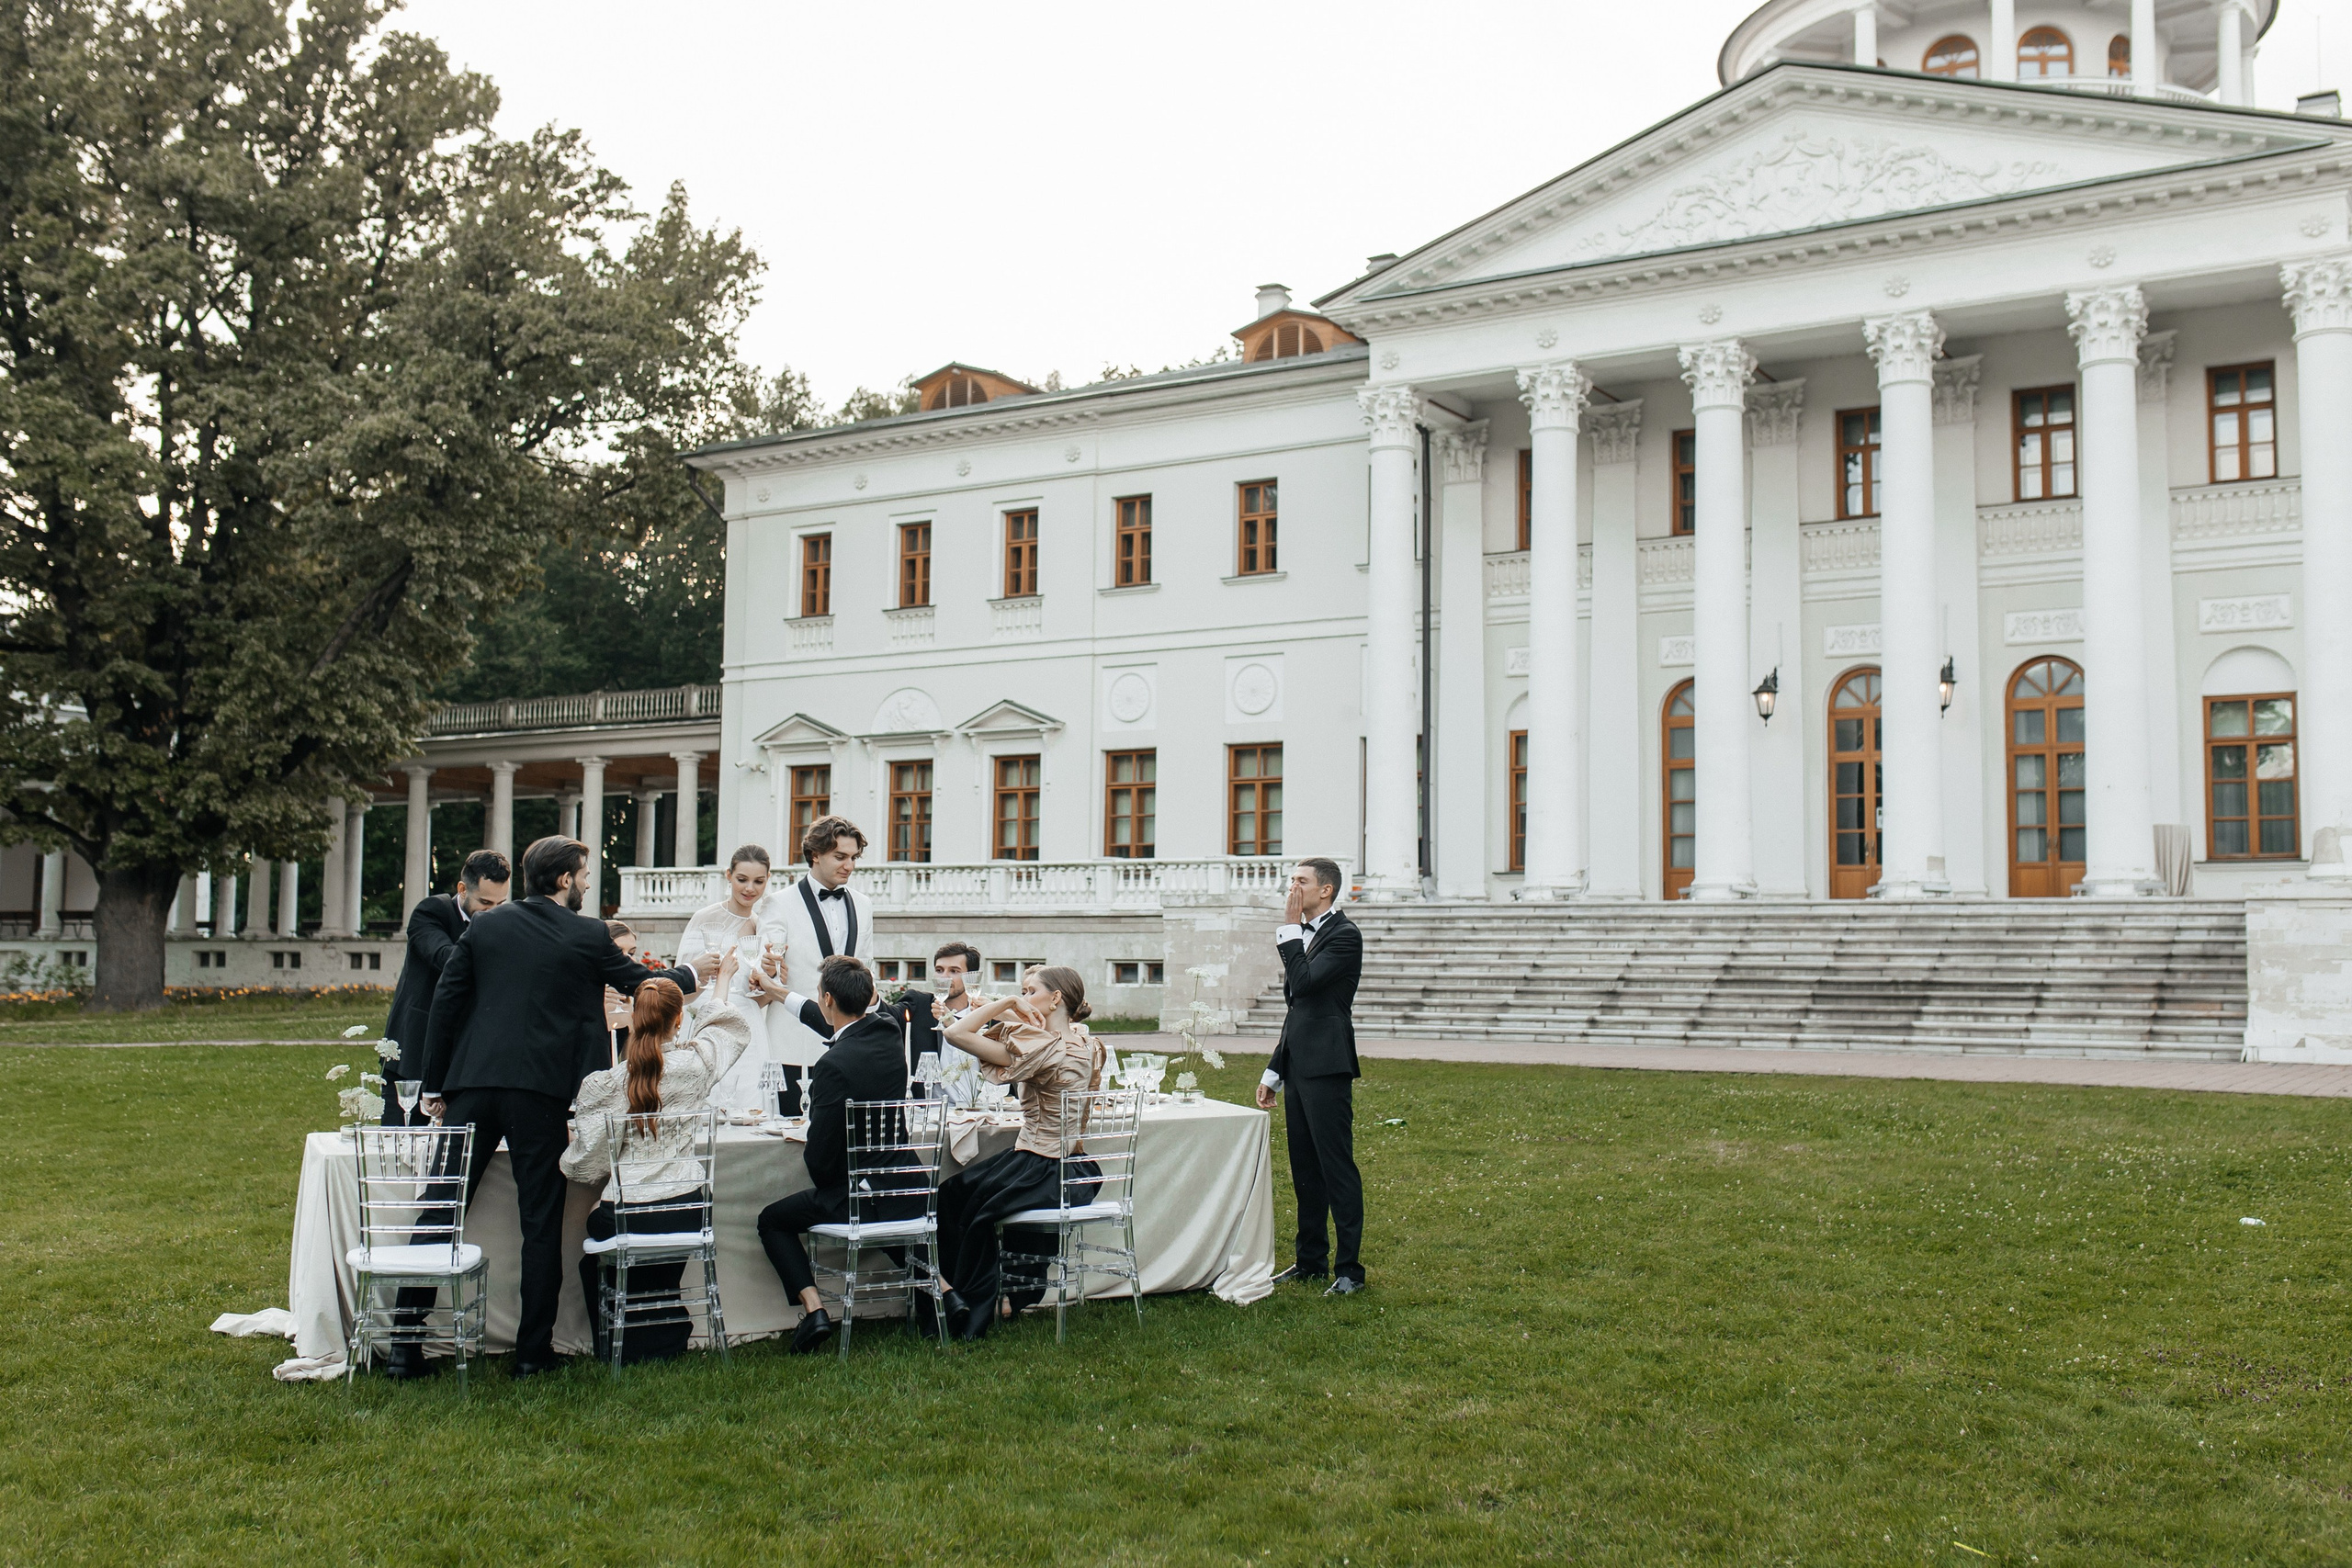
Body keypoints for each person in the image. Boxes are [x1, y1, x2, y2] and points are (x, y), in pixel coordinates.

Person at [417, 835, 716, 1378]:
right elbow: (644, 986)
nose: (585, 884)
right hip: (542, 1094)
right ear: (563, 881)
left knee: (440, 1204)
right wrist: (694, 973)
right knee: (540, 1223)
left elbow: (446, 1002)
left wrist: (434, 1085)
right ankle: (532, 1353)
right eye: (582, 875)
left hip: (473, 1085)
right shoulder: (587, 934)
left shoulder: (486, 925)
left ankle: (402, 1346)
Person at [562, 968, 752, 1364]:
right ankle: (665, 1332)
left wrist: (572, 1152)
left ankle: (624, 1342)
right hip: (688, 1208)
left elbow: (586, 1165)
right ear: (678, 1020)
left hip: (629, 1215)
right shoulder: (697, 1065)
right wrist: (723, 979)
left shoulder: (609, 1083)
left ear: (634, 1018)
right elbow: (727, 1029)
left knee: (597, 1232)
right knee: (651, 1247)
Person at [753, 954, 919, 1355]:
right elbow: (821, 1016)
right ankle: (943, 1290)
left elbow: (821, 1159)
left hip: (862, 1190)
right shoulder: (890, 1030)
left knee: (771, 1220)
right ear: (872, 996)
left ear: (828, 998)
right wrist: (777, 992)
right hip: (907, 1184)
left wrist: (818, 1158)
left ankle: (815, 1310)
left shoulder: (833, 1065)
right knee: (883, 1209)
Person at [937, 965, 1107, 1340]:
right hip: (1075, 1166)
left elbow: (955, 1034)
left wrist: (1007, 1002)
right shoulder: (1089, 1043)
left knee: (953, 1197)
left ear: (1056, 998)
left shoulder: (1045, 1049)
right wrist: (1014, 1005)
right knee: (961, 1194)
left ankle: (960, 1298)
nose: (1024, 998)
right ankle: (991, 1294)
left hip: (1041, 1166)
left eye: (1031, 991)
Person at [1254, 856, 1367, 1296]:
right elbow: (1297, 1010)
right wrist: (1275, 1071)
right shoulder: (1304, 937)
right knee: (1304, 1167)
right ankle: (1310, 1261)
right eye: (1291, 881)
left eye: (1301, 882)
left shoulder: (1345, 936)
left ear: (1326, 891)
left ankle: (1350, 1271)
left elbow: (1301, 986)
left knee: (1335, 1166)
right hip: (1298, 1064)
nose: (1292, 890)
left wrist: (1286, 930)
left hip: (1328, 1064)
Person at [379, 851, 510, 1123]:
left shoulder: (505, 921)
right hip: (414, 1054)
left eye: (500, 903)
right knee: (400, 1144)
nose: (493, 911)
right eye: (485, 902)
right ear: (462, 889)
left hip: (468, 1063)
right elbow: (444, 958)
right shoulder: (431, 911)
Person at [755, 816, 875, 1112]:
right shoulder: (779, 903)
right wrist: (768, 966)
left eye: (853, 858)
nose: (849, 865)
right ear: (815, 854)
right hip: (793, 1048)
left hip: (850, 1050)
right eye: (840, 857)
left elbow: (867, 967)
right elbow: (760, 968)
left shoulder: (863, 904)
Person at [677, 845, 780, 1111]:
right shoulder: (705, 918)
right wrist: (708, 975)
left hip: (749, 1026)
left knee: (748, 1103)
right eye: (742, 879)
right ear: (729, 875)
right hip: (707, 1019)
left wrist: (768, 980)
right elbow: (682, 987)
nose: (750, 889)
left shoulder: (764, 925)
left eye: (759, 881)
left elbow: (761, 997)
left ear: (768, 880)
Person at [890, 941, 984, 1108]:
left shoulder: (987, 1016)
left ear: (971, 977)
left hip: (979, 1113)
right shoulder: (919, 1005)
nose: (944, 977)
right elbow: (889, 1014)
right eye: (939, 970)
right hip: (930, 1114)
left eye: (954, 971)